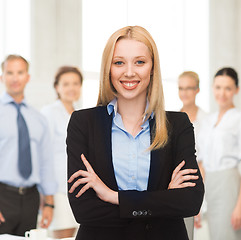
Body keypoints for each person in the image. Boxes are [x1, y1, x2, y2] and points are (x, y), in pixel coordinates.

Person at [67, 26, 204, 240]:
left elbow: (190, 201)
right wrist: (164, 200)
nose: (129, 72)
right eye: (119, 62)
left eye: (139, 62)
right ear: (108, 69)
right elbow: (83, 209)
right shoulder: (83, 123)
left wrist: (114, 197)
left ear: (152, 68)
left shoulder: (177, 124)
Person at [0, 55, 57, 236]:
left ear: (27, 77)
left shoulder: (38, 118)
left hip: (31, 198)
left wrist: (49, 203)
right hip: (3, 196)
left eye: (20, 72)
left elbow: (46, 162)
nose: (15, 78)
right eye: (10, 73)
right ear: (2, 77)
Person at [197, 67, 241, 240]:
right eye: (218, 87)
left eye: (228, 88)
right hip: (209, 185)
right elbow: (201, 163)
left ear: (236, 90)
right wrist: (197, 202)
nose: (222, 93)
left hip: (229, 186)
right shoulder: (207, 122)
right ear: (213, 88)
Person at [41, 66, 83, 238]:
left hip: (79, 188)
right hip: (58, 189)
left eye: (75, 83)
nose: (71, 88)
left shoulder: (81, 114)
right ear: (57, 87)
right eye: (66, 84)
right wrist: (47, 197)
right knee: (62, 235)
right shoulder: (48, 113)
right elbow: (44, 155)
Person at [178, 71, 207, 239]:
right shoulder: (172, 118)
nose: (184, 93)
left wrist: (199, 202)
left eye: (189, 88)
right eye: (181, 88)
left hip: (194, 184)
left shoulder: (206, 121)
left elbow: (202, 163)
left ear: (197, 90)